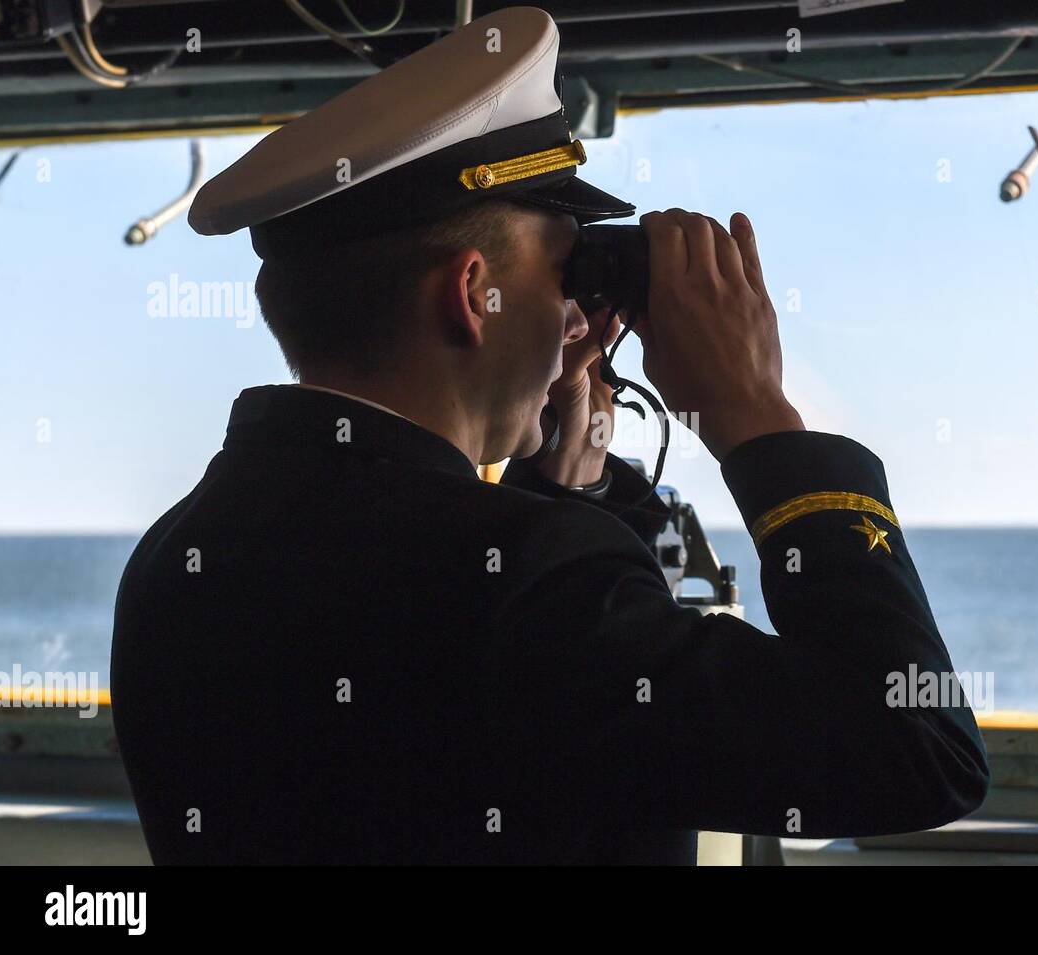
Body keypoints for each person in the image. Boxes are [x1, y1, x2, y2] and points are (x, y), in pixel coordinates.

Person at [110, 5, 988, 865]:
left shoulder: (175, 558)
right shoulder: (531, 582)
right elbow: (917, 752)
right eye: (563, 274)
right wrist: (751, 410)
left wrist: (569, 494)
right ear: (471, 293)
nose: (578, 320)